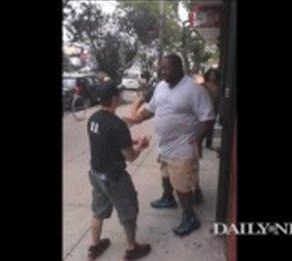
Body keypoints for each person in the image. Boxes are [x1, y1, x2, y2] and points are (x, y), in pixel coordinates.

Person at [125, 54, 215, 237]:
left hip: (183, 147)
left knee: (182, 184)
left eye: (167, 68)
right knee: (165, 173)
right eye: (161, 69)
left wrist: (197, 139)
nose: (163, 73)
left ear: (180, 68)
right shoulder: (161, 86)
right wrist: (136, 119)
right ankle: (167, 198)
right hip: (165, 143)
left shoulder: (193, 90)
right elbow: (151, 109)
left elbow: (208, 118)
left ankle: (190, 217)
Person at [86, 80, 151, 260]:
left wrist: (131, 141)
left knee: (98, 211)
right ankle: (132, 249)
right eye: (119, 94)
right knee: (128, 212)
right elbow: (130, 157)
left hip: (96, 175)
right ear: (114, 98)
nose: (121, 96)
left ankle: (95, 247)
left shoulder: (94, 119)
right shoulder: (117, 125)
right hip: (114, 178)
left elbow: (107, 142)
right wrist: (141, 146)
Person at [201, 68, 221, 150]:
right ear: (208, 75)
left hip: (214, 108)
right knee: (203, 127)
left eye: (214, 75)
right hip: (204, 109)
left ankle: (209, 144)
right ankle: (198, 141)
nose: (213, 77)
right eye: (211, 75)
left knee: (210, 127)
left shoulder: (219, 86)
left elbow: (219, 98)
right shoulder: (204, 85)